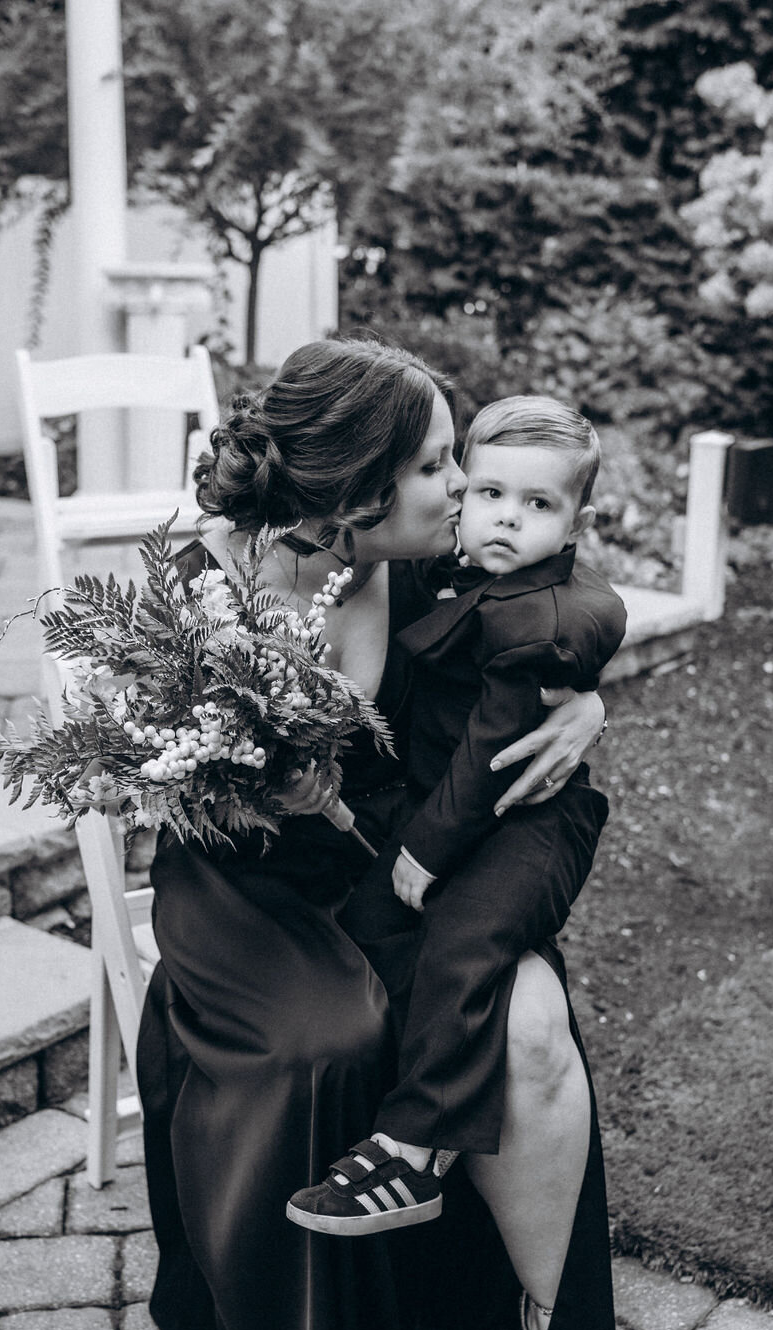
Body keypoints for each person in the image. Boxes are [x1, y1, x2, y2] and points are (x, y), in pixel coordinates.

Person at [137, 337, 619, 1330]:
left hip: (393, 862)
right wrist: (241, 775)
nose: (462, 488)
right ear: (356, 490)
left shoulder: (431, 560)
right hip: (241, 887)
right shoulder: (200, 582)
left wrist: (589, 701)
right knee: (331, 1041)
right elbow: (146, 774)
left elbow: (557, 601)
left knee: (531, 1019)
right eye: (437, 465)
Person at [287, 395, 625, 1249]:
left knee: (465, 945)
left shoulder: (543, 615)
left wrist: (425, 849)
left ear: (576, 525)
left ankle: (415, 1148)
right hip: (444, 811)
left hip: (523, 823)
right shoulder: (435, 566)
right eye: (489, 493)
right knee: (373, 925)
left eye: (538, 504)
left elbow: (488, 750)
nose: (506, 517)